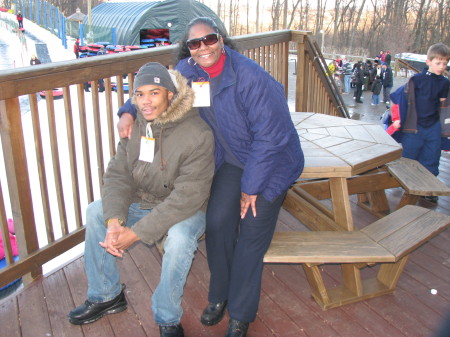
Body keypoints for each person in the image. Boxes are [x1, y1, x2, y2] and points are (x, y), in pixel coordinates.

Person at [117, 16, 304, 337]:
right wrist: (128, 111)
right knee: (217, 222)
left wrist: (251, 188)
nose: (203, 47)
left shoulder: (251, 78)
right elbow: (155, 87)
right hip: (233, 160)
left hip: (272, 164)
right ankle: (219, 296)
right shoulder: (189, 72)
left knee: (251, 233)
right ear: (187, 49)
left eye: (210, 40)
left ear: (221, 40)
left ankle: (241, 315)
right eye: (195, 43)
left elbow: (271, 139)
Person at [67, 62, 215, 337]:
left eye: (154, 93)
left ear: (170, 94)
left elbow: (187, 197)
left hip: (186, 208)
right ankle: (105, 296)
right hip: (144, 199)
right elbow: (118, 175)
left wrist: (135, 233)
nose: (146, 101)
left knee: (181, 239)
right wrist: (114, 222)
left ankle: (168, 316)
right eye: (140, 94)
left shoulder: (198, 134)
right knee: (96, 212)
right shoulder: (137, 124)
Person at [389, 43, 450, 202]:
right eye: (438, 63)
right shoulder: (416, 80)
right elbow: (397, 98)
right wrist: (397, 119)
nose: (442, 66)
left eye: (445, 63)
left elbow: (445, 106)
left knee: (431, 156)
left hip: (433, 126)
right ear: (428, 61)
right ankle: (406, 182)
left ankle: (428, 188)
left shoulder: (444, 82)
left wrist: (446, 128)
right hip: (413, 126)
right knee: (409, 156)